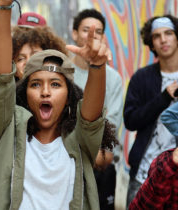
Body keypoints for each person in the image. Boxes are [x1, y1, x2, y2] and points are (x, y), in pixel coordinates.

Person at [0, 0, 113, 209]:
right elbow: (0, 80)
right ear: (24, 93)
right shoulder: (9, 130)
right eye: (35, 84)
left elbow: (91, 118)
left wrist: (97, 66)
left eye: (55, 84)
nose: (45, 91)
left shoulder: (80, 139)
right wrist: (2, 8)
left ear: (69, 95)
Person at [71, 8, 123, 209]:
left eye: (98, 31)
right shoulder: (61, 72)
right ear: (74, 33)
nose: (92, 35)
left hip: (99, 169)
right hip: (64, 167)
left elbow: (110, 126)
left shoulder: (113, 78)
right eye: (86, 30)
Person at [124, 14, 178, 206]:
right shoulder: (141, 78)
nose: (163, 39)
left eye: (169, 33)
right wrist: (164, 97)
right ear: (151, 44)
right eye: (157, 36)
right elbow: (130, 120)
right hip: (144, 174)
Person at [0, 12, 67, 122]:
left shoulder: (63, 96)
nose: (28, 62)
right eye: (20, 58)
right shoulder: (1, 97)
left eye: (35, 55)